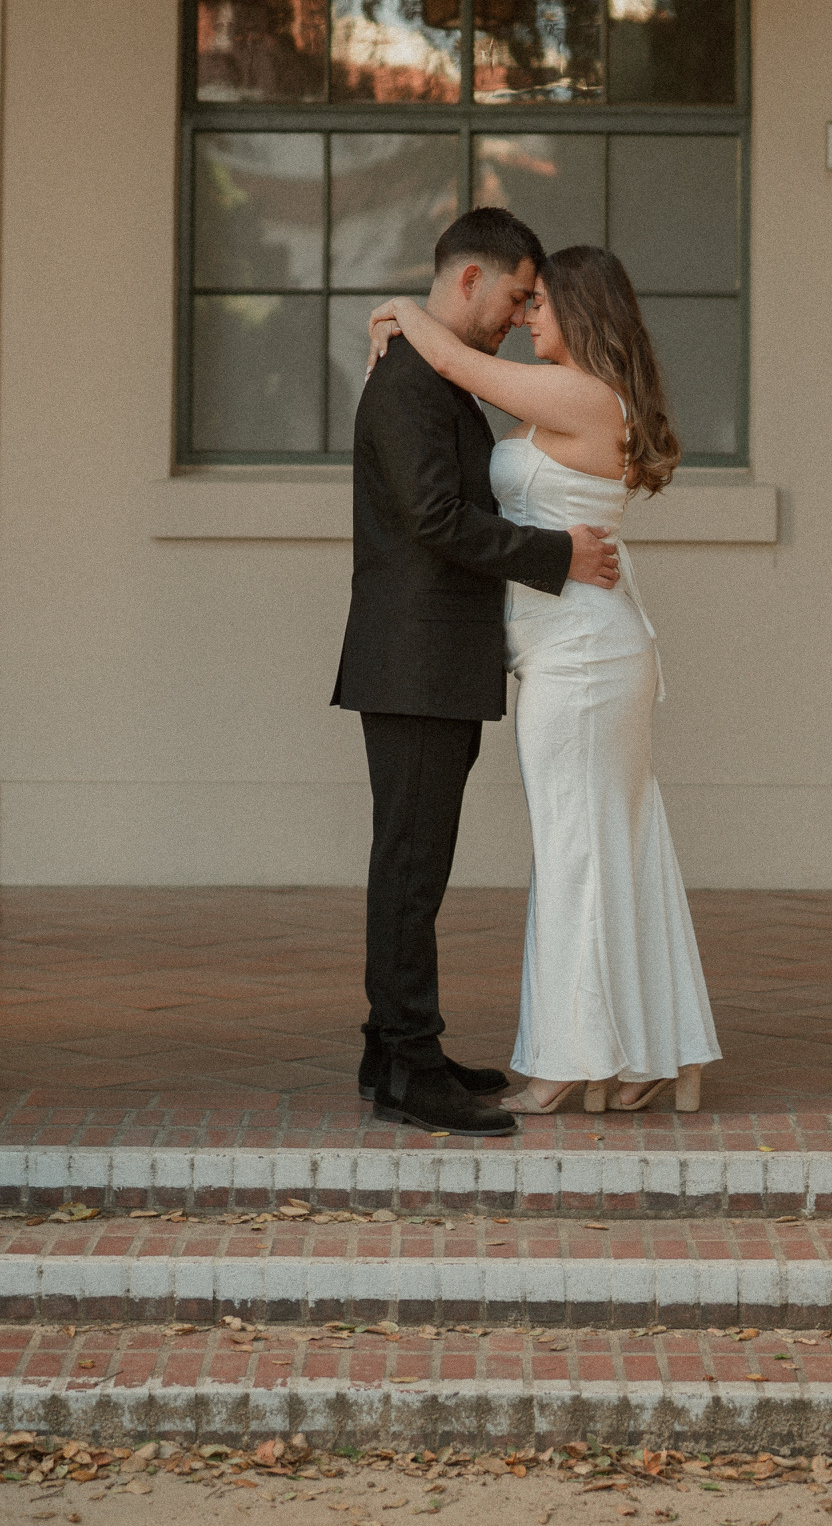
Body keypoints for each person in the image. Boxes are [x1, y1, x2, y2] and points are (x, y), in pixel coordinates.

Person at [367, 243, 720, 1115]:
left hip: (583, 661)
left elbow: (454, 359)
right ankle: (644, 1056)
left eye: (541, 304)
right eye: (521, 303)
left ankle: (569, 1059)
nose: (526, 316)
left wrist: (400, 313)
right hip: (582, 651)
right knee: (617, 844)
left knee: (579, 850)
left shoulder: (582, 394)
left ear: (582, 311)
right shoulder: (583, 397)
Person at [334, 207, 622, 1137]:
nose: (516, 315)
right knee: (411, 869)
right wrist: (557, 555)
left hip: (432, 662)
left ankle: (394, 1051)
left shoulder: (429, 376)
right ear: (468, 280)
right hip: (413, 664)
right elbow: (432, 518)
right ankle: (412, 1069)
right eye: (514, 295)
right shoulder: (411, 386)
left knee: (413, 866)